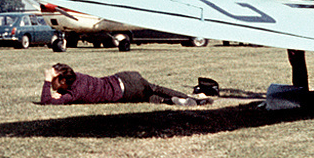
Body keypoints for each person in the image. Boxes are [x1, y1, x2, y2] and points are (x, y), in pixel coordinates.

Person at [41, 64, 209, 106]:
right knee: (152, 93)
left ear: (63, 80)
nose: (50, 79)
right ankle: (183, 100)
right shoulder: (78, 79)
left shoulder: (75, 92)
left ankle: (183, 99)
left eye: (53, 77)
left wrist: (47, 82)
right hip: (126, 78)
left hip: (126, 89)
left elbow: (47, 102)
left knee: (151, 93)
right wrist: (61, 93)